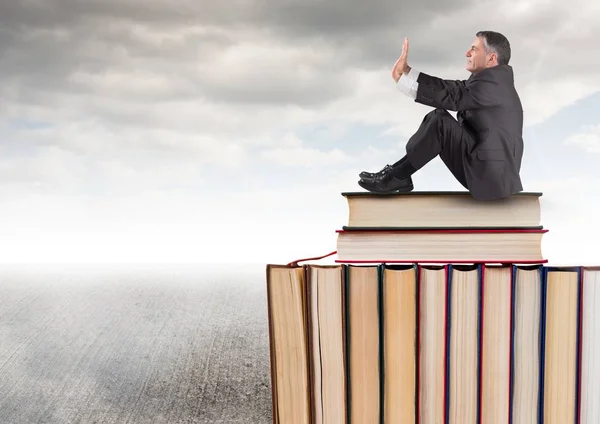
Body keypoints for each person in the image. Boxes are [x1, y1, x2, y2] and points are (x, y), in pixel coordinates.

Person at [358, 31, 524, 201]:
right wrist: (407, 72)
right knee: (438, 117)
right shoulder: (492, 81)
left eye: (474, 49)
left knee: (440, 123)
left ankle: (398, 176)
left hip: (491, 175)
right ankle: (398, 174)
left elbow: (454, 98)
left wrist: (401, 82)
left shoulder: (494, 85)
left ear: (491, 58)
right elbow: (450, 88)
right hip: (486, 166)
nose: (467, 53)